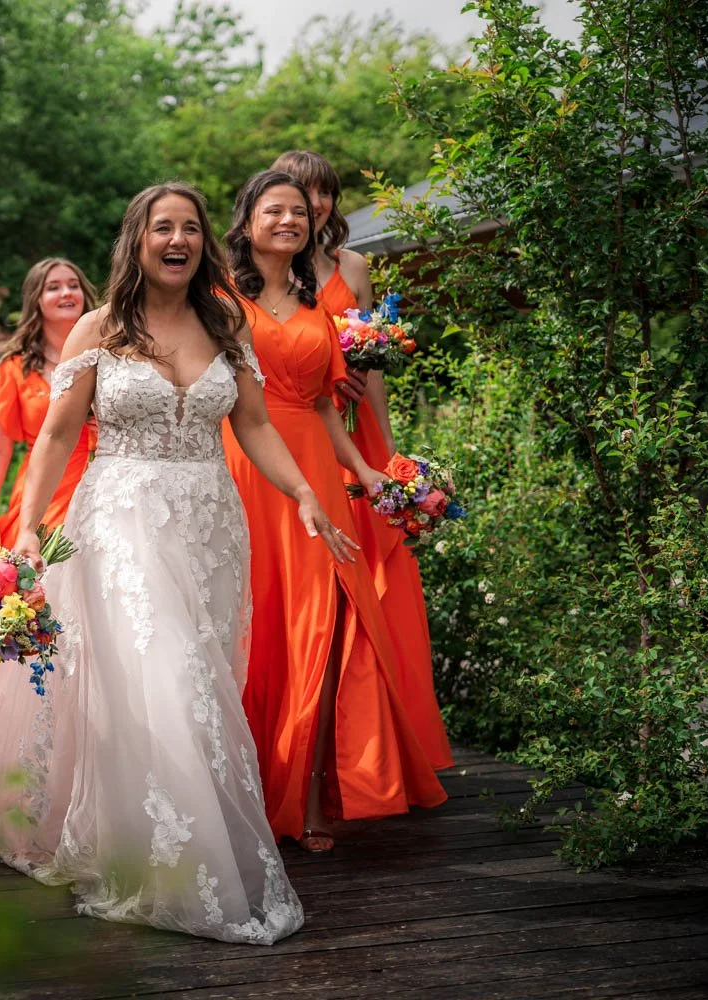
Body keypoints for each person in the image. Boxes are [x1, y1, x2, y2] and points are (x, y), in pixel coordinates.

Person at [0, 182, 348, 942]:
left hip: (210, 524)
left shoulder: (225, 321)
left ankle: (134, 829)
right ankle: (177, 864)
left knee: (198, 675)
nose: (177, 239)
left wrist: (302, 493)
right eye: (163, 227)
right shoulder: (99, 328)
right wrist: (28, 531)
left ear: (204, 243)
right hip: (119, 516)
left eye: (190, 227)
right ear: (139, 239)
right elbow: (57, 434)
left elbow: (254, 423)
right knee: (165, 671)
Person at [222, 170, 446, 853]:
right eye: (275, 210)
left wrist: (366, 471)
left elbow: (323, 405)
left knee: (325, 620)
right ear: (248, 221)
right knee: (252, 625)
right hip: (243, 465)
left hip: (317, 468)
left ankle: (312, 794)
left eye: (299, 211)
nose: (289, 220)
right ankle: (245, 791)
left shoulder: (316, 302)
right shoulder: (219, 297)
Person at [271, 149, 452, 771]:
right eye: (302, 192)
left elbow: (370, 366)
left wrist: (389, 449)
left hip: (356, 429)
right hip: (299, 427)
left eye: (324, 192)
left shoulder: (353, 266)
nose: (315, 203)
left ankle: (383, 743)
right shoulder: (268, 273)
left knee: (378, 571)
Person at [0, 258, 98, 540]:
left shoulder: (109, 356)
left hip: (98, 480)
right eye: (53, 287)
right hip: (41, 486)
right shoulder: (14, 369)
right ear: (36, 300)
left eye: (73, 285)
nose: (66, 293)